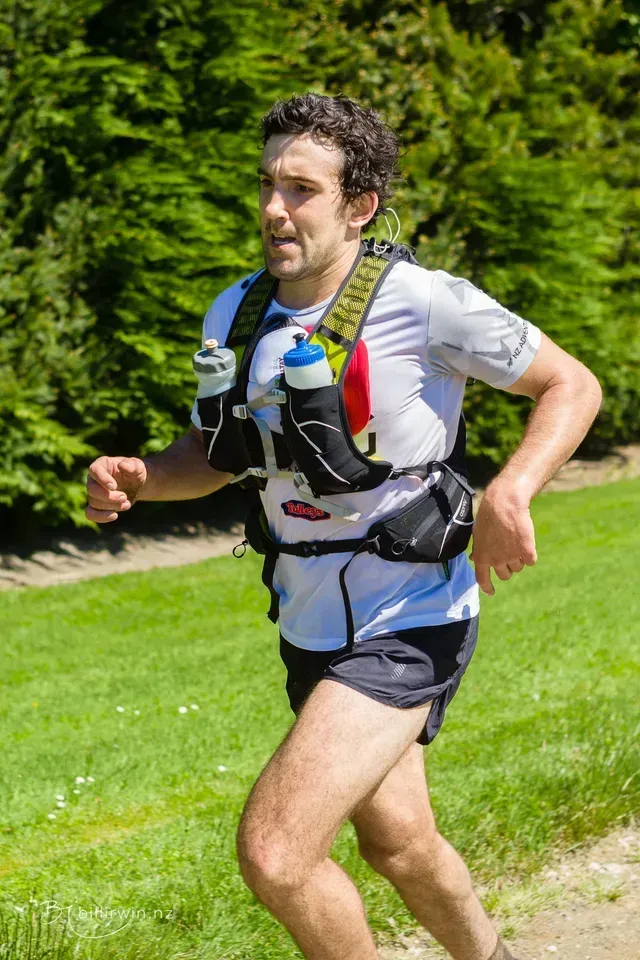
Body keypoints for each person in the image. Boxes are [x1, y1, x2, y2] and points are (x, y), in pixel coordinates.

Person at [85, 93, 602, 960]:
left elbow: (571, 384)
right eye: (266, 183)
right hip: (308, 620)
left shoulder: (428, 302)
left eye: (301, 189)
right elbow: (217, 454)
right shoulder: (234, 312)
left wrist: (511, 491)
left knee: (278, 854)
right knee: (400, 843)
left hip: (412, 616)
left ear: (360, 205)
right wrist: (144, 478)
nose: (273, 208)